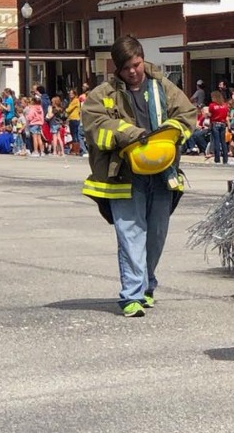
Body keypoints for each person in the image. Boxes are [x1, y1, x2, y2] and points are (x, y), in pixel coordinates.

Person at [81, 36, 197, 317]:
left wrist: (170, 131)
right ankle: (131, 295)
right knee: (131, 234)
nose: (132, 71)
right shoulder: (102, 95)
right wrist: (133, 135)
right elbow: (95, 126)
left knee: (156, 236)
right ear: (116, 69)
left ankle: (147, 286)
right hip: (124, 176)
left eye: (136, 64)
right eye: (125, 68)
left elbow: (187, 114)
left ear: (142, 59)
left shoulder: (163, 87)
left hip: (161, 174)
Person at [207, 90, 229, 164]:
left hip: (215, 124)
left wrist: (207, 115)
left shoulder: (212, 105)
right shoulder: (225, 105)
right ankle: (225, 159)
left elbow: (210, 115)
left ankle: (217, 159)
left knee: (216, 141)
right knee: (223, 142)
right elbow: (226, 116)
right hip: (223, 124)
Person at [65, 88, 81, 156]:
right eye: (70, 93)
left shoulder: (75, 100)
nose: (70, 94)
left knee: (74, 134)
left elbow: (68, 110)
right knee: (75, 134)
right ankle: (76, 150)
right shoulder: (74, 100)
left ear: (75, 94)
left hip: (74, 119)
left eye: (72, 93)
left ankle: (75, 150)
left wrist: (65, 109)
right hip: (74, 119)